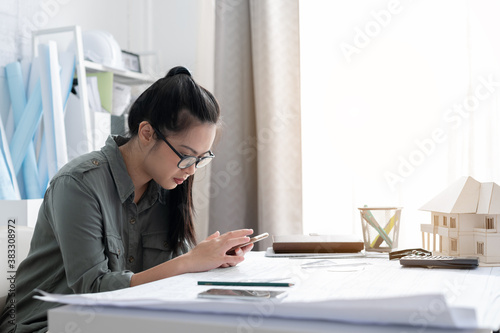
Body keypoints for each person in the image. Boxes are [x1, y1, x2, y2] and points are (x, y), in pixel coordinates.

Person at [0, 66, 254, 333]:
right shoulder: (78, 185)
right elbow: (94, 290)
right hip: (47, 324)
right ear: (147, 133)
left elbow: (174, 283)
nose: (191, 170)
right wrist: (190, 261)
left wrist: (210, 259)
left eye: (201, 159)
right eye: (186, 155)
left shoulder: (167, 186)